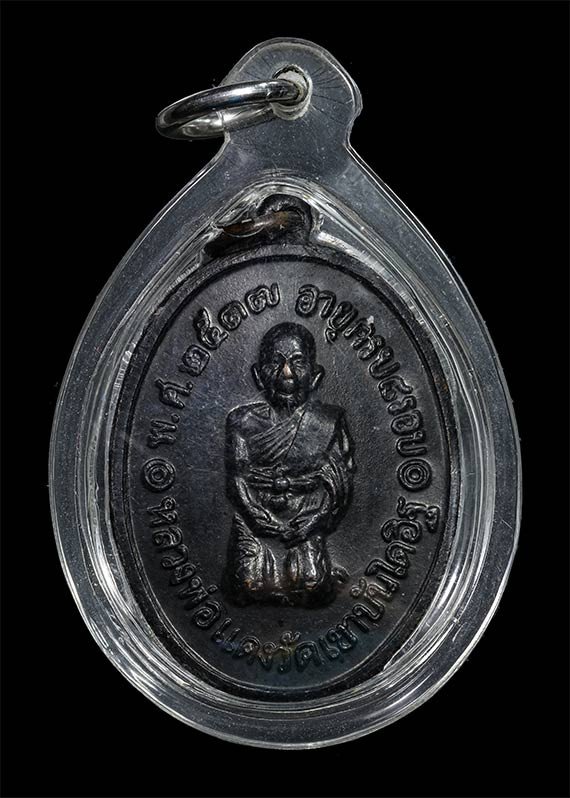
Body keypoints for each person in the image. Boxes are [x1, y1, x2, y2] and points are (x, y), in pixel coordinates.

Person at [222, 322, 355, 607]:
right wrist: (253, 514)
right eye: (276, 362)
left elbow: (340, 485)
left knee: (312, 586)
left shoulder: (328, 421)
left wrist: (315, 520)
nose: (287, 373)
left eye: (298, 362)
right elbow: (237, 478)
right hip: (255, 519)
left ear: (315, 376)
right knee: (247, 584)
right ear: (258, 375)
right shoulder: (242, 422)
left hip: (306, 516)